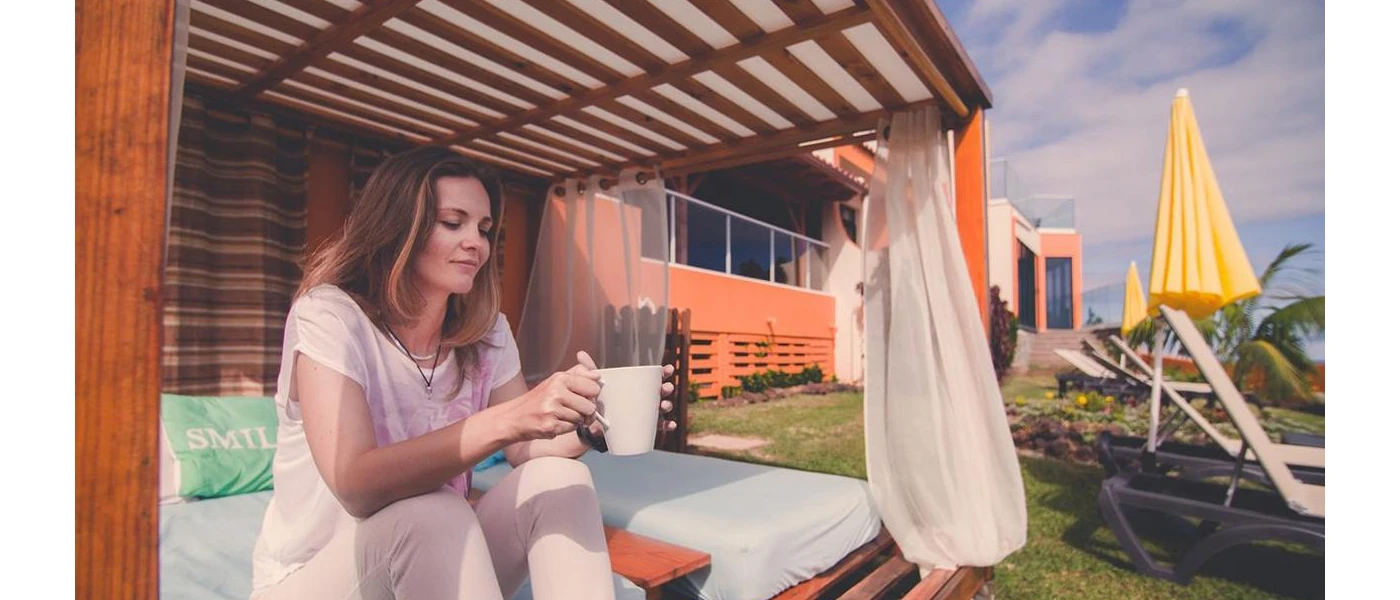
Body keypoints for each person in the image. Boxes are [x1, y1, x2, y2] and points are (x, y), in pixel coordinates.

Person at [249, 146, 676, 600]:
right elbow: (354, 484)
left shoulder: (487, 331)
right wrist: (509, 417)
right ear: (398, 226)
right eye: (453, 223)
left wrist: (591, 430)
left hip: (428, 559)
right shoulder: (331, 315)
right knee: (436, 511)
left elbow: (524, 450)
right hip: (319, 578)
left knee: (560, 480)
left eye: (485, 229)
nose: (476, 242)